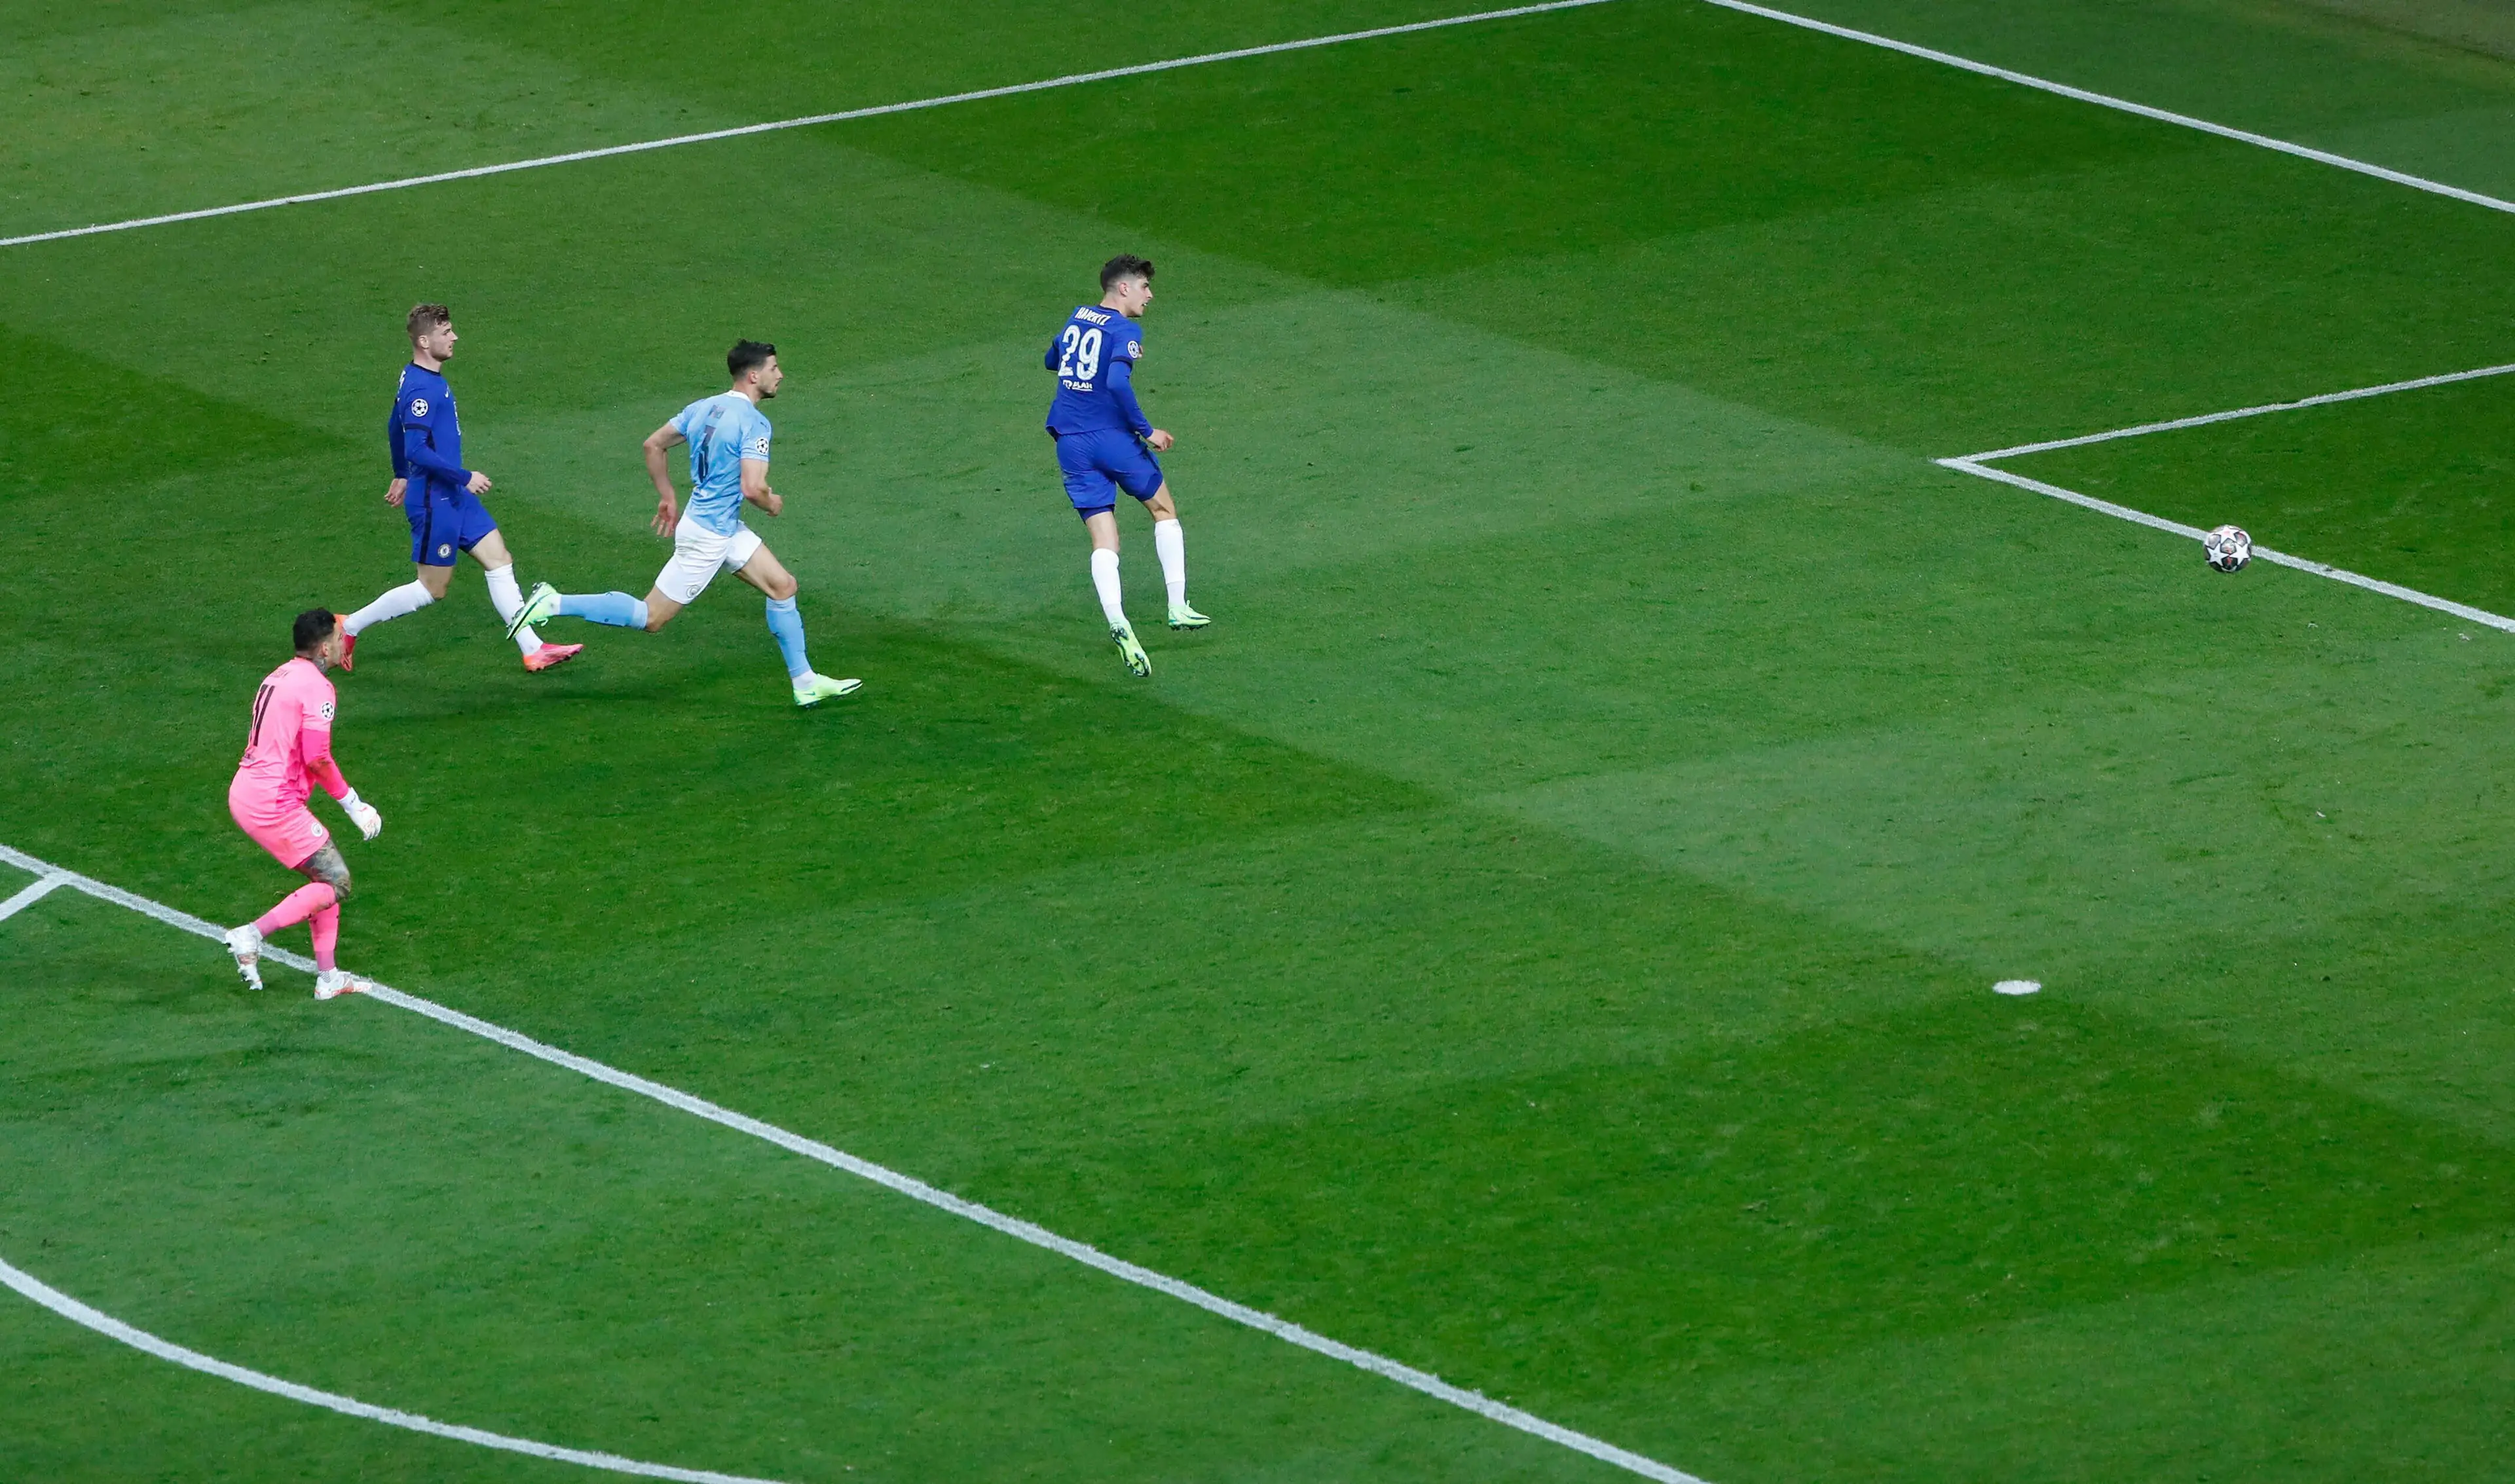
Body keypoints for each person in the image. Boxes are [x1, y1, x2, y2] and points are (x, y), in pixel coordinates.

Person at [510, 340, 860, 707]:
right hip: (709, 535)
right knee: (651, 617)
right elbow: (753, 487)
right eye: (774, 369)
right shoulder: (755, 422)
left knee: (783, 586)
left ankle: (804, 682)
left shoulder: (703, 407)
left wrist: (668, 495)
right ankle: (555, 602)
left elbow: (653, 445)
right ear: (754, 376)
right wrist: (771, 502)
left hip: (714, 523)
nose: (781, 375)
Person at [335, 303, 582, 673]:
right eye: (445, 332)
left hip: (453, 496)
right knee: (432, 589)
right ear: (424, 340)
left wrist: (400, 472)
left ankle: (533, 649)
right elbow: (416, 446)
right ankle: (348, 626)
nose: (454, 337)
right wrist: (463, 476)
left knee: (499, 561)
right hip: (436, 501)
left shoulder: (417, 377)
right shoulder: (423, 387)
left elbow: (393, 425)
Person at [1044, 254, 1206, 678]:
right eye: (1144, 287)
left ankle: (1118, 622)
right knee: (1164, 510)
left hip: (1070, 443)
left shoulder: (1077, 317)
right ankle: (1177, 606)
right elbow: (1117, 382)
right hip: (1111, 439)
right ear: (1123, 288)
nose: (1150, 296)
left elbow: (1052, 359)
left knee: (1104, 540)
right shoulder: (1124, 329)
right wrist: (1147, 430)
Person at [223, 610, 382, 1000]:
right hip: (272, 802)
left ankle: (328, 978)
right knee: (336, 880)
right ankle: (251, 934)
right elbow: (318, 757)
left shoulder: (279, 675)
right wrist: (354, 805)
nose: (347, 641)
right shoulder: (317, 688)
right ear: (326, 646)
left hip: (248, 790)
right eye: (342, 635)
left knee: (323, 881)